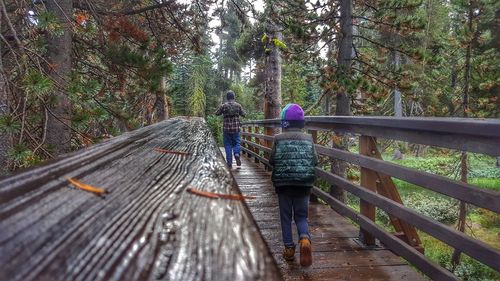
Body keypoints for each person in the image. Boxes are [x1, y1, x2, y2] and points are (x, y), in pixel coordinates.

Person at [269, 103, 317, 267]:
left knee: (286, 217)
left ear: (284, 122)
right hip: (304, 184)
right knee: (302, 216)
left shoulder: (278, 139)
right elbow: (315, 160)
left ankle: (289, 249)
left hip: (283, 184)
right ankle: (304, 238)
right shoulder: (309, 139)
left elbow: (272, 160)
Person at [215, 90, 246, 169]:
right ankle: (236, 153)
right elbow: (244, 114)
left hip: (226, 129)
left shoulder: (224, 106)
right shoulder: (238, 105)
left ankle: (229, 164)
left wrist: (220, 110)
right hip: (236, 129)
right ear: (234, 97)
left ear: (227, 97)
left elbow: (217, 113)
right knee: (237, 143)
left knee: (228, 145)